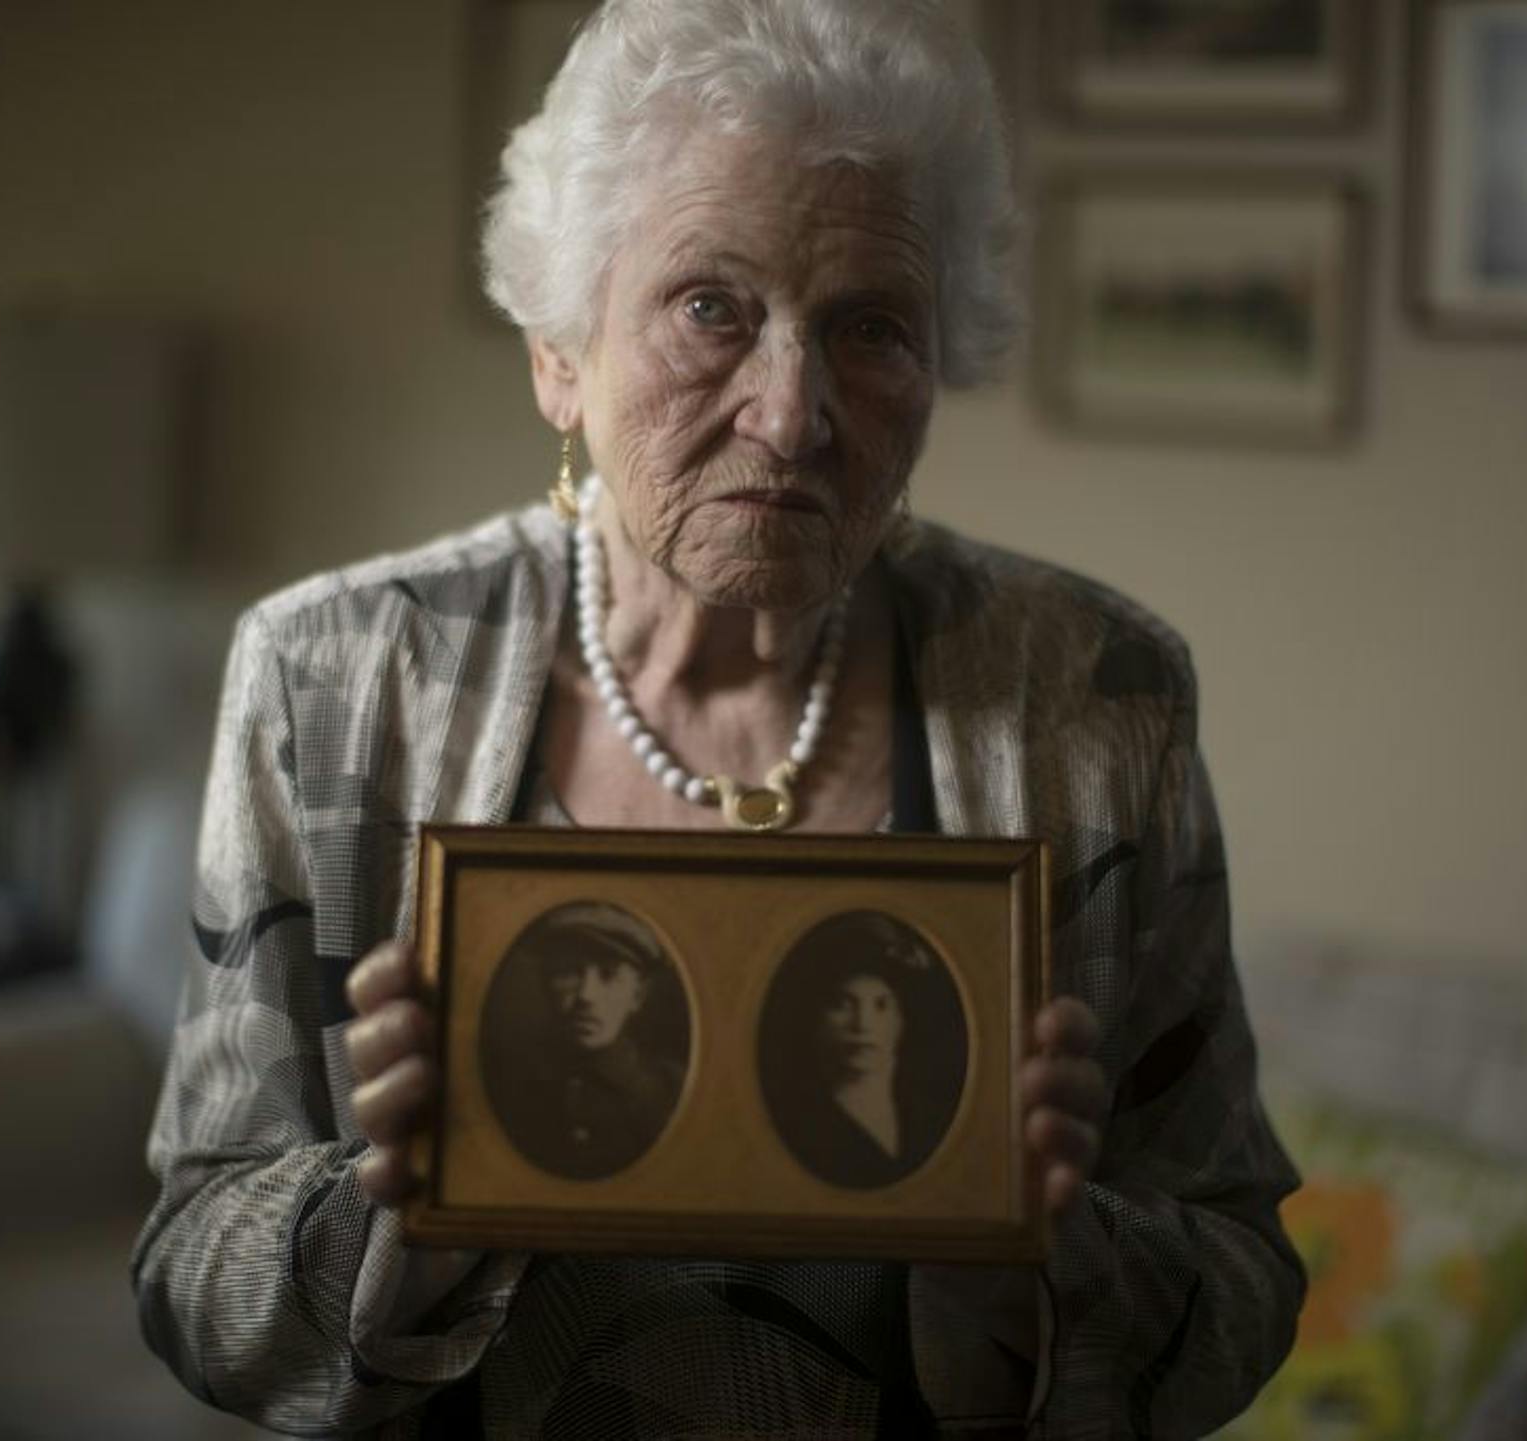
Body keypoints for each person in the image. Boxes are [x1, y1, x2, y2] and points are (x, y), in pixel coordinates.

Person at [133, 1, 1304, 1435]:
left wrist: (1033, 1248)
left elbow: (1241, 1279)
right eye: (711, 308)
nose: (793, 410)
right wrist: (401, 1207)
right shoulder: (333, 680)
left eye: (872, 325)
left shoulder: (1096, 697)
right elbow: (192, 1276)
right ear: (560, 354)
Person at [760, 910, 966, 1191]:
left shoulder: (930, 1117)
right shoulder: (793, 1126)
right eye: (843, 1004)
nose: (863, 1025)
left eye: (881, 1006)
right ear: (815, 1020)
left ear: (900, 1021)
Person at [481, 902, 686, 1181]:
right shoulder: (506, 1085)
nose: (587, 995)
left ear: (638, 995)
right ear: (545, 983)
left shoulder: (671, 1090)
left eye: (609, 974)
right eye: (567, 972)